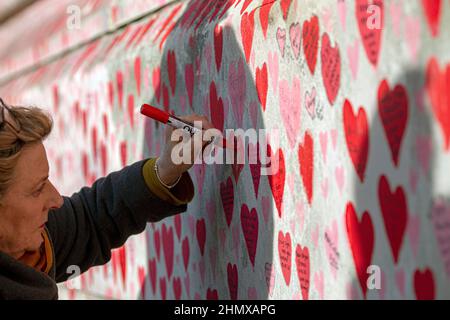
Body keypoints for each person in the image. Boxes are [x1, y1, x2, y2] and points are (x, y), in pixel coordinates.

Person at [0, 98, 214, 299]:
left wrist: (165, 169)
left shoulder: (32, 243)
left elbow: (91, 219)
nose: (57, 200)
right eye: (37, 190)